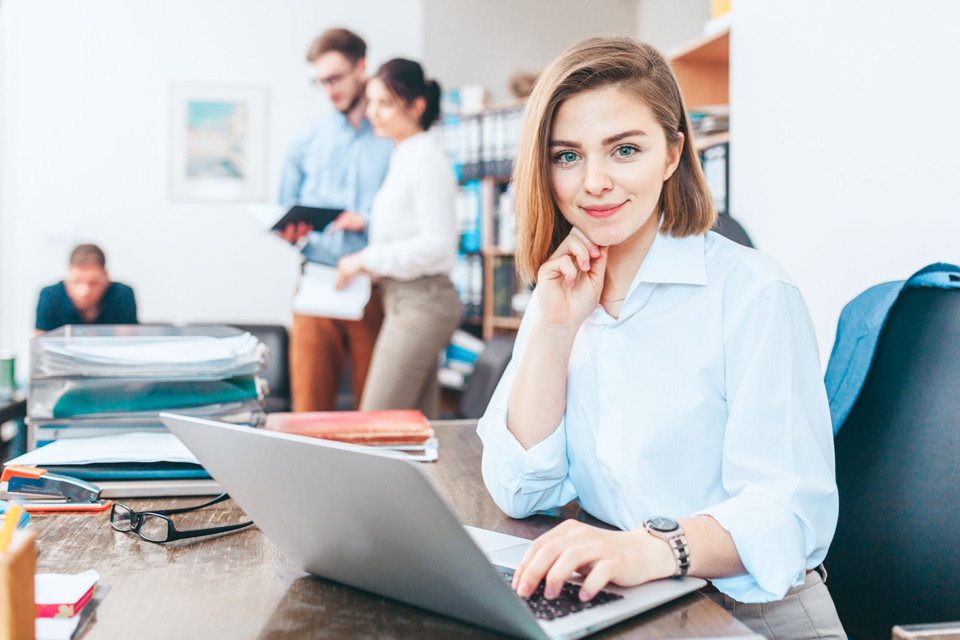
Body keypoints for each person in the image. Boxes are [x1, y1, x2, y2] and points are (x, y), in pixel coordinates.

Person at [477, 37, 845, 640]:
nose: (593, 182)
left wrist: (649, 549)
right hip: (635, 603)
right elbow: (522, 490)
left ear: (673, 153)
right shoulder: (564, 290)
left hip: (753, 614)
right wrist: (555, 328)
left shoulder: (753, 294)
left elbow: (790, 513)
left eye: (624, 150)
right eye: (566, 156)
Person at [335, 59, 461, 419]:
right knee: (415, 429)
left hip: (423, 301)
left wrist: (364, 260)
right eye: (371, 101)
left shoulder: (425, 158)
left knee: (374, 422)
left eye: (384, 103)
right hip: (403, 298)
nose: (372, 112)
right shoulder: (405, 154)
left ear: (417, 106)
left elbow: (437, 242)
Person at [278, 28, 393, 411]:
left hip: (373, 288)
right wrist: (289, 230)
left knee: (376, 410)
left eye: (336, 78)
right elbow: (285, 208)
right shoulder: (305, 140)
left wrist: (368, 220)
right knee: (308, 409)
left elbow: (409, 214)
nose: (329, 90)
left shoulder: (393, 139)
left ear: (361, 67)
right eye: (321, 82)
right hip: (316, 283)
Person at [36, 244, 137, 333]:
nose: (84, 292)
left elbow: (127, 343)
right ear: (68, 274)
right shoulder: (49, 296)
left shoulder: (123, 295)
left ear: (106, 277)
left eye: (94, 283)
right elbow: (40, 347)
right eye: (76, 281)